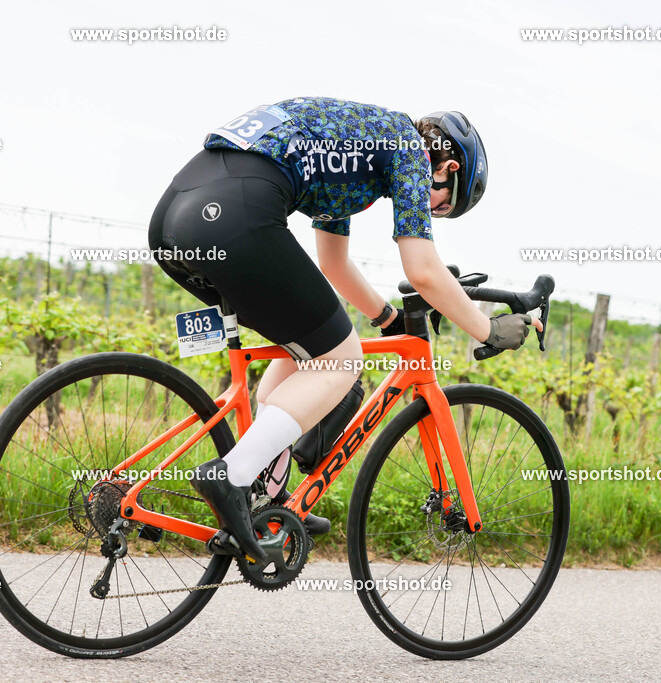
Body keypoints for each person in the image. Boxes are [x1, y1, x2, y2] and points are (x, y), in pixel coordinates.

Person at [148, 97, 541, 565]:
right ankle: (232, 475)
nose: (431, 211)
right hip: (234, 216)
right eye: (444, 205)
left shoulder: (355, 149)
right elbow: (424, 271)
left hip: (178, 216)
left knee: (307, 348)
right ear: (448, 166)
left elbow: (333, 264)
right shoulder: (410, 150)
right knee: (342, 360)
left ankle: (266, 496)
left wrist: (388, 319)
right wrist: (487, 330)